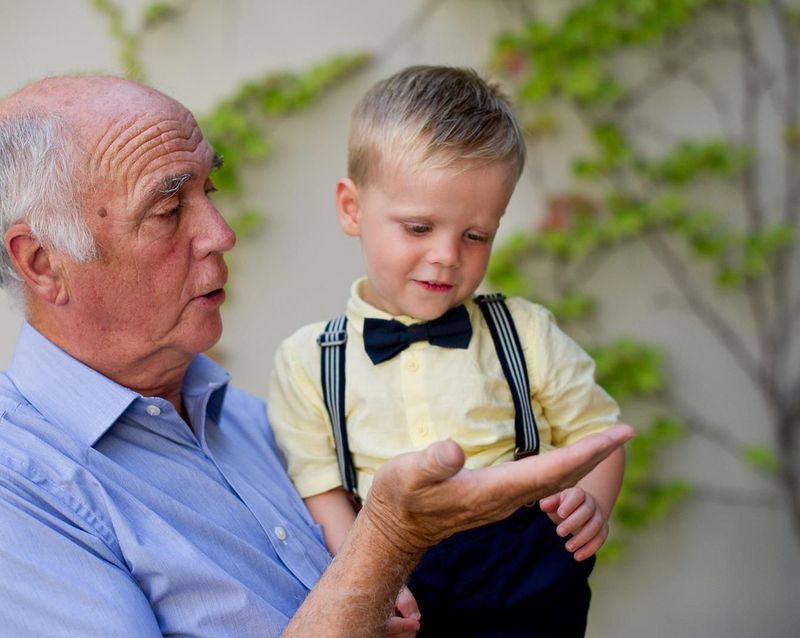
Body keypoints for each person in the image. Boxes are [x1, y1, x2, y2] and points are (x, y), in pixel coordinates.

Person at [0, 74, 632, 638]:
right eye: (168, 207)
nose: (220, 232)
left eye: (208, 190)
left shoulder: (255, 422)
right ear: (43, 263)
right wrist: (387, 542)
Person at [268, 65, 627, 637]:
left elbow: (600, 435)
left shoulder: (524, 331)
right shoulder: (309, 359)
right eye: (418, 227)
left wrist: (592, 501)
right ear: (352, 208)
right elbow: (323, 490)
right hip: (403, 579)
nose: (446, 256)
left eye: (475, 235)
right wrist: (360, 575)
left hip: (524, 574)